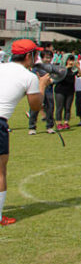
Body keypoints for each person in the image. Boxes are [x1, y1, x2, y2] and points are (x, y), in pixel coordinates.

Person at [1, 39, 50, 226]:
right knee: (0, 171)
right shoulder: (29, 77)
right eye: (35, 55)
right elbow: (36, 106)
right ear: (29, 56)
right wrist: (42, 84)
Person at [28, 50, 56, 136]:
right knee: (35, 108)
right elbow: (32, 77)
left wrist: (51, 81)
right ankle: (32, 127)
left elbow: (57, 77)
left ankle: (49, 127)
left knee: (50, 108)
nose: (48, 60)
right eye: (46, 57)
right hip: (37, 91)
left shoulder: (53, 67)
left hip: (49, 91)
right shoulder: (37, 67)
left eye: (50, 58)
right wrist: (40, 80)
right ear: (42, 58)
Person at [52, 55, 80, 131]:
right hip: (60, 90)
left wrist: (78, 67)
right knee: (59, 107)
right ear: (65, 60)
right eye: (69, 60)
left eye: (72, 60)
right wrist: (67, 67)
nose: (71, 62)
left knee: (68, 107)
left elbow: (80, 75)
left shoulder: (74, 70)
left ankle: (66, 122)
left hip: (70, 90)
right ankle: (59, 123)